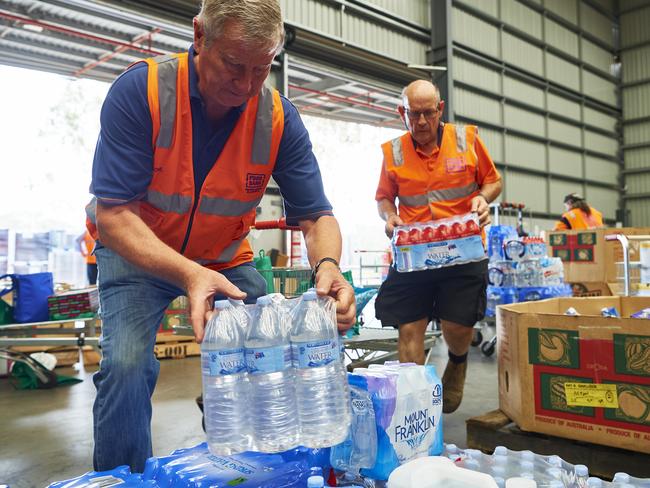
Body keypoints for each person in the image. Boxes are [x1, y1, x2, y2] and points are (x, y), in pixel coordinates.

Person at [86, 0, 355, 472]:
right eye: (234, 66)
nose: (247, 85)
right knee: (127, 365)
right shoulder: (141, 92)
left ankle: (263, 466)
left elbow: (316, 215)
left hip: (223, 259)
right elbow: (113, 214)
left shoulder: (277, 117)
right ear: (199, 36)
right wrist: (190, 274)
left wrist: (328, 266)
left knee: (275, 345)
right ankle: (122, 479)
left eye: (262, 68)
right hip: (137, 254)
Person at [374, 80, 502, 414]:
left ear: (440, 110)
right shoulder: (394, 152)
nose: (420, 122)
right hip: (414, 253)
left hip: (463, 250)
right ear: (402, 113)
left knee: (456, 325)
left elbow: (493, 180)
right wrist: (390, 216)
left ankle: (457, 361)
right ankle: (415, 409)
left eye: (427, 113)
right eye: (413, 114)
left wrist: (481, 197)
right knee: (409, 326)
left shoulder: (466, 140)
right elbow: (384, 197)